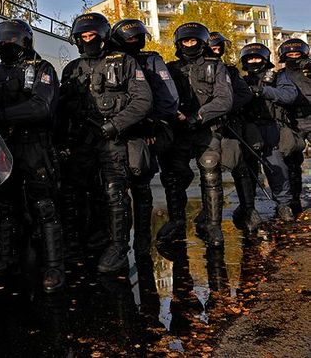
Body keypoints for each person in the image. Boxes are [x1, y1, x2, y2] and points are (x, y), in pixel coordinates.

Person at [57, 12, 152, 273]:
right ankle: (89, 239)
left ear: (103, 36)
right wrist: (61, 141)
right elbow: (63, 108)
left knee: (114, 193)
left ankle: (119, 247)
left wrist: (114, 126)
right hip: (83, 142)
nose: (88, 40)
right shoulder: (71, 68)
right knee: (82, 192)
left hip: (113, 140)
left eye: (92, 36)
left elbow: (143, 101)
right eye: (83, 36)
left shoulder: (124, 62)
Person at [0, 18, 64, 292]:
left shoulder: (41, 69)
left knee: (43, 206)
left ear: (23, 41)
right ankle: (8, 259)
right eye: (2, 39)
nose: (5, 43)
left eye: (10, 39)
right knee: (4, 205)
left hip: (34, 146)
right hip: (4, 146)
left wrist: (1, 115)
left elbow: (41, 107)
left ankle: (54, 265)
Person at [157, 22, 233, 248]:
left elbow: (224, 99)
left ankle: (212, 224)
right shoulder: (170, 68)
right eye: (185, 42)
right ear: (178, 44)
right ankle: (177, 221)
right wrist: (173, 115)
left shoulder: (215, 66)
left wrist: (198, 116)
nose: (189, 45)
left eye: (193, 41)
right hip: (179, 131)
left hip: (206, 129)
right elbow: (161, 96)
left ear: (202, 43)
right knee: (173, 176)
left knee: (210, 171)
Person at [108, 19, 178, 255]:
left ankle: (142, 241)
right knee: (115, 190)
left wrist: (150, 123)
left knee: (141, 184)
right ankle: (117, 243)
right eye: (128, 38)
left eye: (137, 36)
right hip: (115, 133)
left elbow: (168, 98)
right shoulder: (109, 61)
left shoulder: (151, 59)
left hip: (142, 133)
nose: (134, 41)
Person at [202, 32, 259, 233]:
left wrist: (224, 106)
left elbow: (245, 94)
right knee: (209, 170)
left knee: (239, 166)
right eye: (213, 48)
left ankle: (248, 209)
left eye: (219, 48)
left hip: (229, 124)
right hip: (204, 126)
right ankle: (208, 212)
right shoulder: (195, 68)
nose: (216, 52)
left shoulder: (230, 72)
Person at [239, 43, 297, 221]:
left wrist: (264, 90)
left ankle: (284, 205)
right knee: (247, 171)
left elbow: (289, 96)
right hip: (249, 129)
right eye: (250, 58)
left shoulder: (279, 77)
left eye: (257, 58)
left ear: (265, 59)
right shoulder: (241, 80)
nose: (253, 61)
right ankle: (247, 209)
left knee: (276, 167)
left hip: (272, 127)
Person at [278, 38, 311, 217]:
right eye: (289, 54)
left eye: (297, 54)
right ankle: (294, 200)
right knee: (292, 163)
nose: (293, 58)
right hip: (292, 121)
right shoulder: (280, 75)